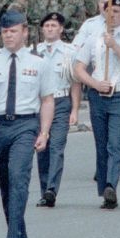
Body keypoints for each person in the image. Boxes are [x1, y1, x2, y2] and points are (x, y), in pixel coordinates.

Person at [0, 10, 56, 238]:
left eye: (13, 31)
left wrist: (44, 132)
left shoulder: (39, 62)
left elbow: (47, 99)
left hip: (25, 125)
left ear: (25, 32)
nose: (8, 36)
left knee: (18, 177)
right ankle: (20, 235)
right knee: (5, 182)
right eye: (4, 31)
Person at [73, 0, 120, 209]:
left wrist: (115, 46)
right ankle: (104, 186)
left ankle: (111, 185)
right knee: (102, 144)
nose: (113, 15)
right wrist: (94, 83)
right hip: (99, 96)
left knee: (116, 143)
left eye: (117, 11)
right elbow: (78, 68)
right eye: (109, 11)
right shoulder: (94, 37)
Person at [32, 12, 81, 207]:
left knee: (57, 146)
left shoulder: (70, 52)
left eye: (54, 26)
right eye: (47, 26)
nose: (50, 29)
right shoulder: (34, 52)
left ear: (61, 29)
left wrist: (75, 110)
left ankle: (52, 188)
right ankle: (45, 191)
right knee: (41, 148)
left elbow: (75, 83)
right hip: (40, 104)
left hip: (61, 102)